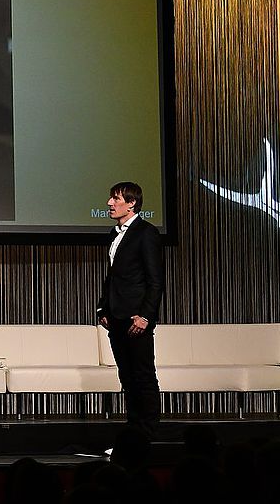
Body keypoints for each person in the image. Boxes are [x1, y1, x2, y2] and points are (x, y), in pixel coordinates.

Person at [96, 181, 165, 437]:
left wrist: (146, 315)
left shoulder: (145, 232)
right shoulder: (115, 233)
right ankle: (133, 430)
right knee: (126, 376)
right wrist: (103, 309)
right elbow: (113, 276)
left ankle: (148, 432)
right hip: (116, 316)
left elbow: (155, 279)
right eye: (111, 198)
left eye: (116, 199)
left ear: (132, 203)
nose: (110, 204)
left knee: (143, 375)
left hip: (137, 317)